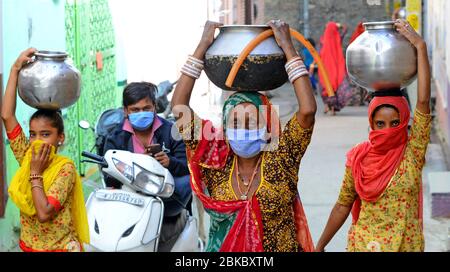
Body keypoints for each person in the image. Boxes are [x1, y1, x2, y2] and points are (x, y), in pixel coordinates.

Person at [171, 20, 316, 252]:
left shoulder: (282, 157)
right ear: (225, 130)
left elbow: (307, 111)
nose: (244, 129)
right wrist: (202, 47)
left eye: (252, 122)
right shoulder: (215, 159)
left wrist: (288, 48)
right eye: (236, 122)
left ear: (269, 127)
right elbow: (179, 106)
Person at [315, 19, 431, 252]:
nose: (387, 130)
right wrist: (320, 246)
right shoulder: (358, 158)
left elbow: (423, 101)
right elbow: (342, 205)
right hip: (363, 245)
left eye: (395, 123)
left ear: (405, 122)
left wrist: (420, 47)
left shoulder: (412, 153)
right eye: (380, 123)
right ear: (371, 124)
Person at [1, 48, 89, 252]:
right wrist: (15, 69)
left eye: (45, 134)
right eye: (33, 134)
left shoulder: (65, 169)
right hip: (29, 246)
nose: (37, 141)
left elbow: (44, 212)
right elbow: (6, 116)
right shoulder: (27, 156)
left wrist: (35, 173)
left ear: (61, 138)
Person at [102, 82, 191, 251]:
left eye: (146, 108)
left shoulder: (171, 130)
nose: (141, 113)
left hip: (166, 199)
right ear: (126, 111)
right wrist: (133, 165)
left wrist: (169, 162)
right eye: (135, 110)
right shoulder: (116, 136)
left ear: (155, 107)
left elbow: (187, 166)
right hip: (130, 201)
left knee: (185, 183)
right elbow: (108, 174)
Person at [318, 22, 354, 115]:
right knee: (335, 85)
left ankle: (327, 105)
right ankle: (332, 108)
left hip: (325, 66)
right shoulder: (338, 38)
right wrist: (339, 25)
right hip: (336, 65)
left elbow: (319, 52)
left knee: (325, 85)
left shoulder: (322, 40)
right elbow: (345, 29)